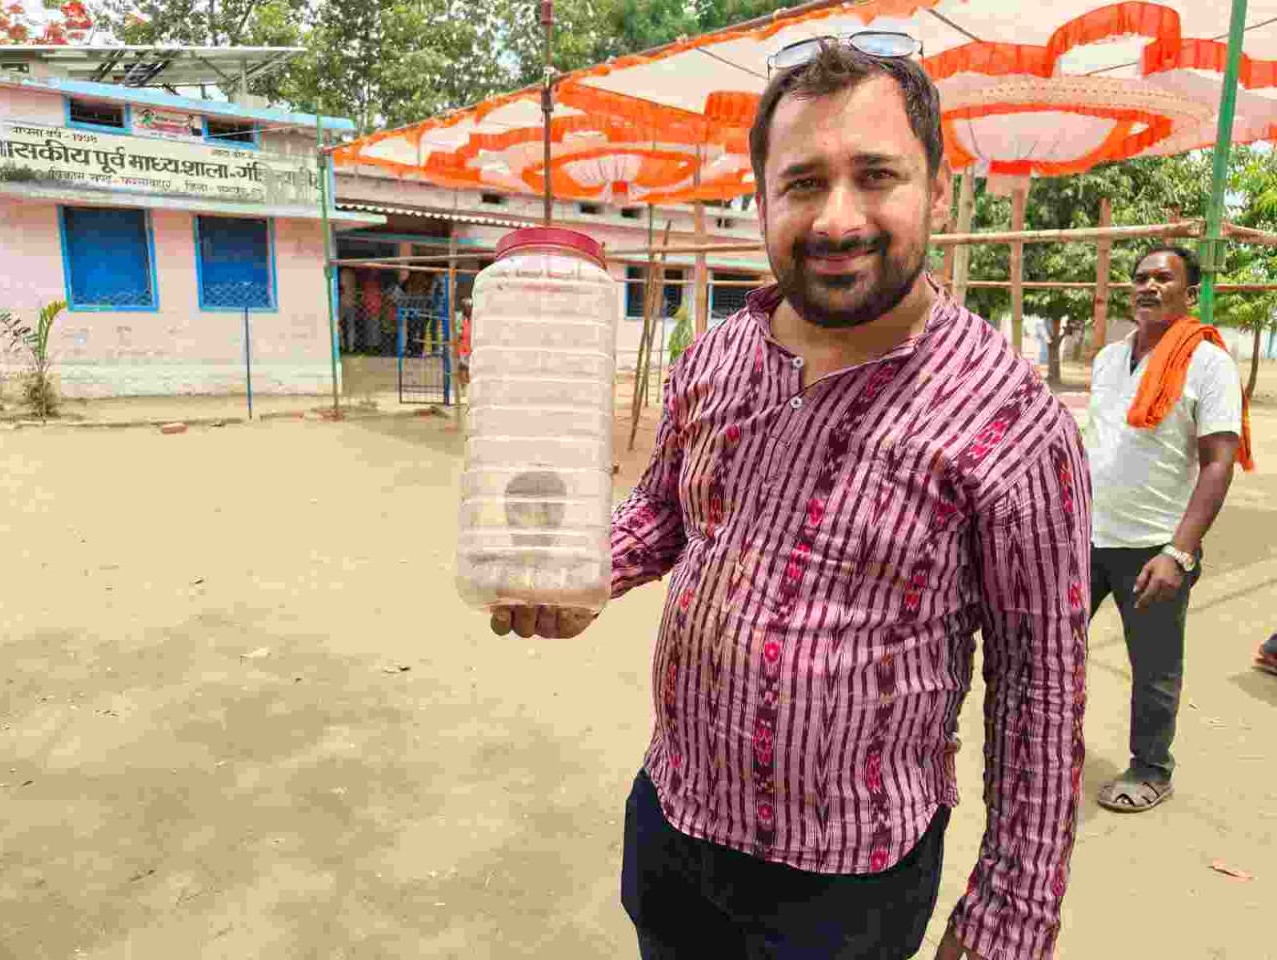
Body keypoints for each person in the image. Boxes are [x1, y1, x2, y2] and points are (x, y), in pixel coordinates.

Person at [490, 39, 1090, 960]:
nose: (837, 219)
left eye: (876, 176)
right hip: (673, 821)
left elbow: (1040, 689)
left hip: (849, 882)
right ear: (763, 199)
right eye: (803, 183)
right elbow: (665, 510)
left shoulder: (1012, 422)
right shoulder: (718, 356)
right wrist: (581, 573)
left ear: (937, 191)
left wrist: (1008, 922)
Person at [1085, 244, 1252, 813]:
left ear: (1189, 292)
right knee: (1051, 649)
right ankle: (1052, 745)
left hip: (1154, 548)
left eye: (1163, 278)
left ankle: (1151, 767)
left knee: (1154, 668)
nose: (1148, 286)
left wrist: (1179, 552)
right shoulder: (1109, 358)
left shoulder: (1208, 363)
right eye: (1140, 278)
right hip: (1087, 538)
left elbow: (1218, 462)